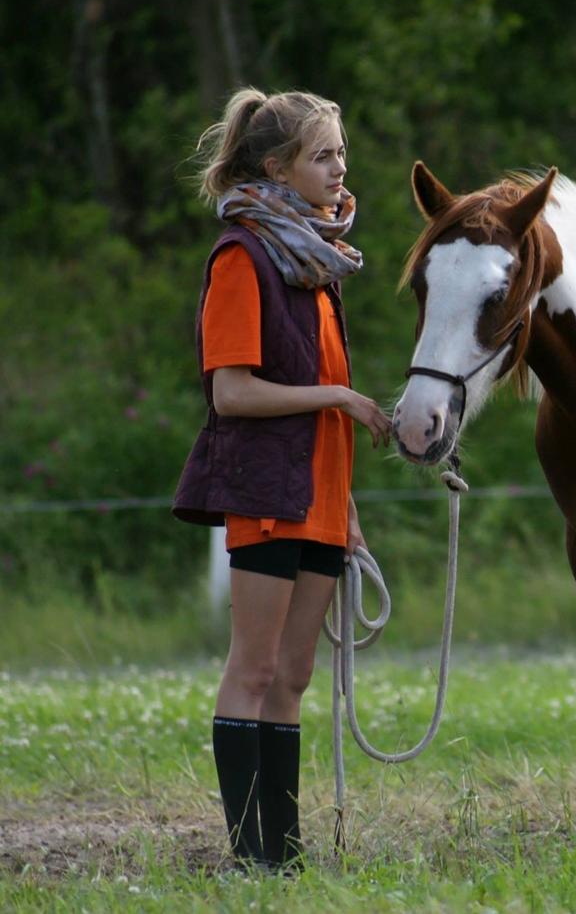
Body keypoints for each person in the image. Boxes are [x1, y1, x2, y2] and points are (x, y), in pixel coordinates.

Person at [173, 87, 393, 870]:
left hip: (325, 499)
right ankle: (246, 853)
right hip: (268, 491)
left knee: (294, 675)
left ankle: (284, 852)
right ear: (278, 167)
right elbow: (232, 392)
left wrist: (352, 507)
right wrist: (340, 396)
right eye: (324, 156)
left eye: (341, 154)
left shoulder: (315, 263)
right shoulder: (244, 257)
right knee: (256, 668)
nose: (341, 170)